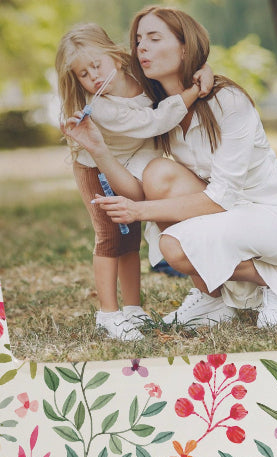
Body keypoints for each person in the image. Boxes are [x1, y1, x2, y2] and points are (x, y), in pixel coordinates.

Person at [68, 7, 277, 329]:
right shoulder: (159, 113)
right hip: (229, 214)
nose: (142, 47)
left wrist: (139, 212)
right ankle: (212, 299)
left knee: (175, 245)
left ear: (185, 47)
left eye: (154, 38)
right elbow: (139, 188)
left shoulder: (228, 101)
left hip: (274, 219)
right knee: (158, 175)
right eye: (139, 40)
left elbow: (220, 198)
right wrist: (97, 149)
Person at [55, 23, 212, 341]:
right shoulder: (101, 106)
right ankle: (108, 314)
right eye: (84, 74)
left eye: (97, 65)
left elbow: (174, 66)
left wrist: (203, 69)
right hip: (96, 168)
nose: (94, 77)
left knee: (132, 237)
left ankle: (132, 309)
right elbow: (153, 122)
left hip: (133, 159)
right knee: (111, 236)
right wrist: (194, 92)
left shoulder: (139, 73)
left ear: (114, 54)